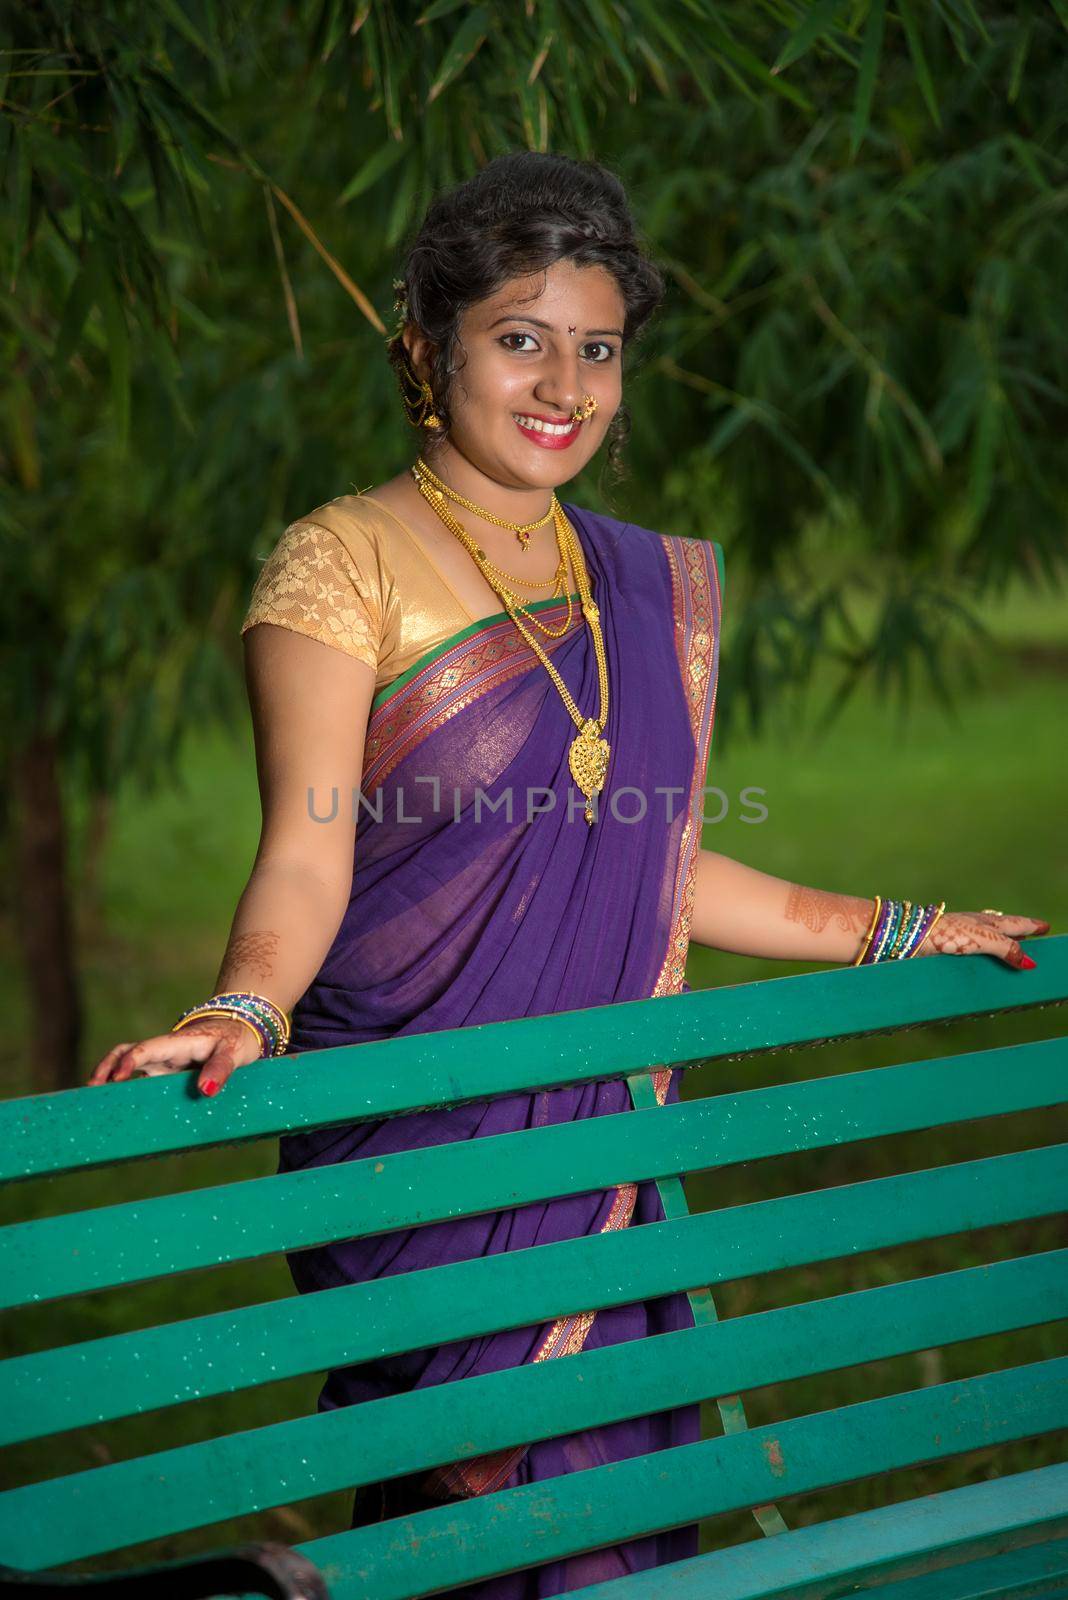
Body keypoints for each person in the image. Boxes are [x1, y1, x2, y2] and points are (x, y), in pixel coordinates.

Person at [88, 151, 1050, 1595]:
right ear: (428, 348)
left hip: (599, 1139)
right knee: (471, 1517)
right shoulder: (340, 566)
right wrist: (246, 1010)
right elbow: (306, 846)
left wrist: (898, 929)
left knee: (607, 1527)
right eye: (520, 338)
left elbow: (653, 862)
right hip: (420, 1133)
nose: (564, 387)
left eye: (596, 350)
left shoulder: (631, 580)